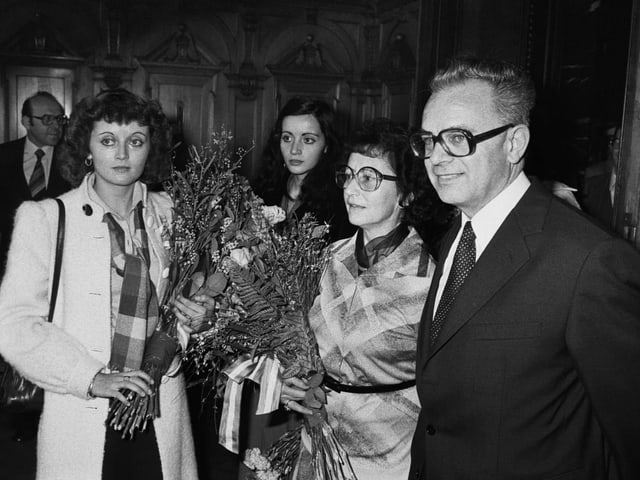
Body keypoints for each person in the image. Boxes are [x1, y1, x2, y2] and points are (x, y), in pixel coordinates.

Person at [408, 57, 640, 479]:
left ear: (515, 143)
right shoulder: (457, 234)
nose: (436, 158)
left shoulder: (589, 260)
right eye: (428, 140)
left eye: (458, 138)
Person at [0, 89, 213, 480]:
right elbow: (13, 326)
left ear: (151, 150)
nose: (121, 154)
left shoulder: (176, 214)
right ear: (86, 148)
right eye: (107, 141)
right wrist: (91, 378)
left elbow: (192, 300)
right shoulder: (46, 219)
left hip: (160, 406)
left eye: (135, 141)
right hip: (82, 413)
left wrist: (202, 319)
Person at [281, 118, 438, 480]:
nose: (351, 190)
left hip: (388, 457)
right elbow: (297, 343)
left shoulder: (429, 279)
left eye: (368, 178)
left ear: (407, 193)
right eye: (348, 176)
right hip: (317, 443)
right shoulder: (322, 258)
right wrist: (293, 380)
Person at [0, 91, 72, 445]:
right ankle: (16, 414)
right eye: (47, 119)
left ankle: (44, 415)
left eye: (60, 118)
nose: (56, 125)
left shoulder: (77, 161)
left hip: (60, 270)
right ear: (25, 121)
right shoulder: (2, 158)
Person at [253, 96, 355, 242]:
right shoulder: (262, 190)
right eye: (287, 138)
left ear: (327, 145)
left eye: (307, 140)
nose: (294, 150)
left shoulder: (340, 203)